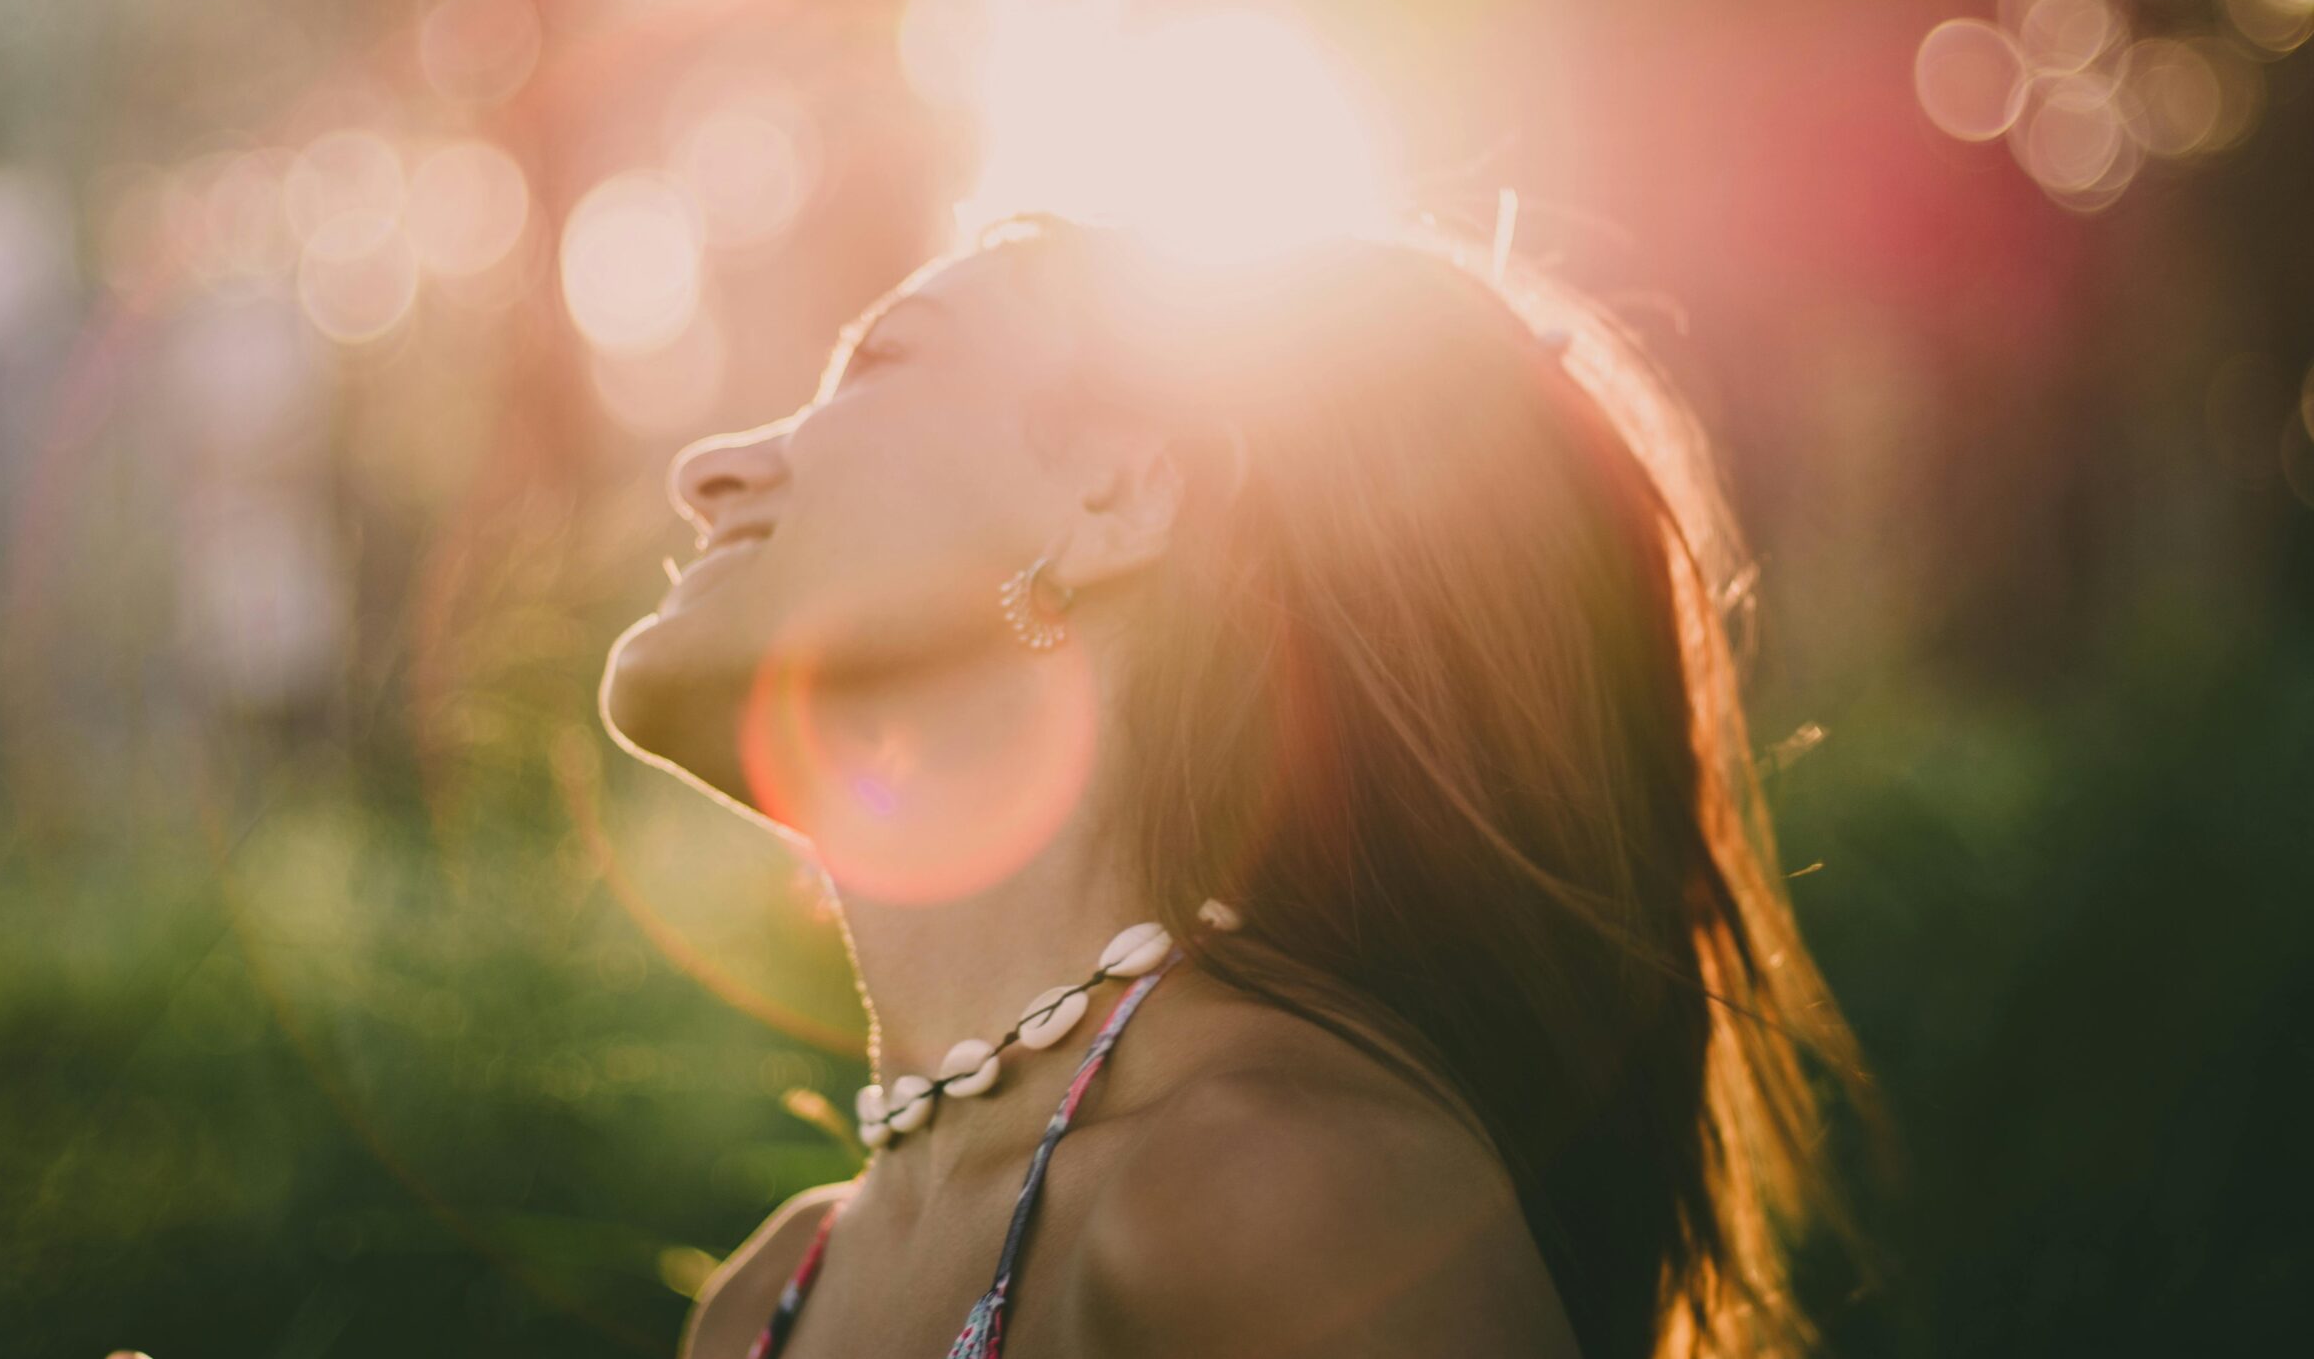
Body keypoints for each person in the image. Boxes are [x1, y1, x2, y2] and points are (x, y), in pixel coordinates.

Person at [601, 213, 1865, 1359]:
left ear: (1114, 495)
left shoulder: (1289, 1203)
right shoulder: (768, 1298)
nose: (708, 471)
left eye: (878, 363)